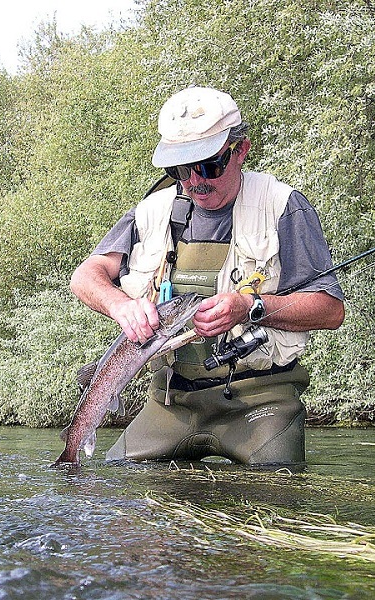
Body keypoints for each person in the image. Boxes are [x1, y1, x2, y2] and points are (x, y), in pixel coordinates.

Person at [70, 86, 345, 466]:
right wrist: (121, 306)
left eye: (209, 165)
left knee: (276, 501)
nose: (195, 180)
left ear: (241, 149)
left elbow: (330, 310)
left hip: (261, 399)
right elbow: (85, 276)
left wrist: (250, 307)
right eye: (181, 170)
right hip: (172, 401)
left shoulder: (283, 206)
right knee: (121, 495)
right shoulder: (152, 211)